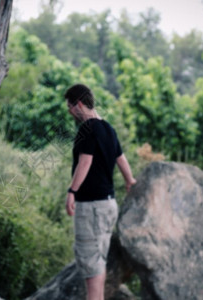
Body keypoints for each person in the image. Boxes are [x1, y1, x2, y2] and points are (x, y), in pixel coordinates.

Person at [65, 84, 136, 300]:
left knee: (92, 272)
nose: (69, 112)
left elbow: (85, 162)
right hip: (107, 206)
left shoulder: (87, 129)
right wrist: (130, 181)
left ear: (78, 104)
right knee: (98, 267)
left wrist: (72, 191)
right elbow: (121, 159)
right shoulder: (108, 128)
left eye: (69, 107)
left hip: (91, 208)